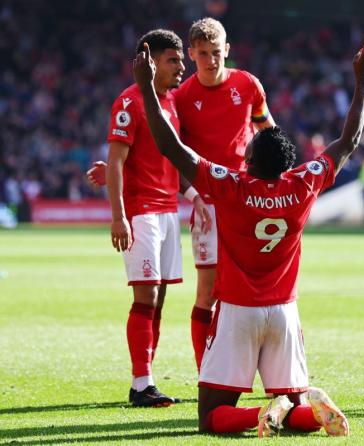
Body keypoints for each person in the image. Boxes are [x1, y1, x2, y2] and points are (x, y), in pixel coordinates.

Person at [133, 35, 364, 435]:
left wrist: (145, 86)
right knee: (297, 412)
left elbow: (170, 147)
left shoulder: (232, 186)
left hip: (237, 312)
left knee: (211, 417)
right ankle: (309, 413)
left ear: (249, 160)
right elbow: (348, 141)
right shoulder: (302, 184)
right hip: (284, 312)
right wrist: (363, 82)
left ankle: (260, 414)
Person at [87, 18, 276, 372]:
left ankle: (248, 365)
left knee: (252, 290)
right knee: (207, 291)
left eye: (216, 52)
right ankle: (207, 371)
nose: (210, 60)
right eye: (202, 54)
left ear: (227, 51)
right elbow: (163, 148)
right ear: (192, 54)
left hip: (247, 201)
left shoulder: (248, 85)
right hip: (207, 204)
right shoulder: (181, 98)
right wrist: (118, 169)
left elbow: (270, 133)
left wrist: (276, 178)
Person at [105, 29, 211, 407]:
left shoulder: (168, 105)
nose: (182, 66)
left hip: (168, 211)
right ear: (149, 62)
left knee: (160, 298)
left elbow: (170, 161)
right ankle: (140, 383)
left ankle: (146, 379)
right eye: (173, 59)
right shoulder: (129, 102)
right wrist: (119, 217)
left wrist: (193, 195)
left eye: (182, 59)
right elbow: (116, 163)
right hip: (142, 212)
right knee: (146, 297)